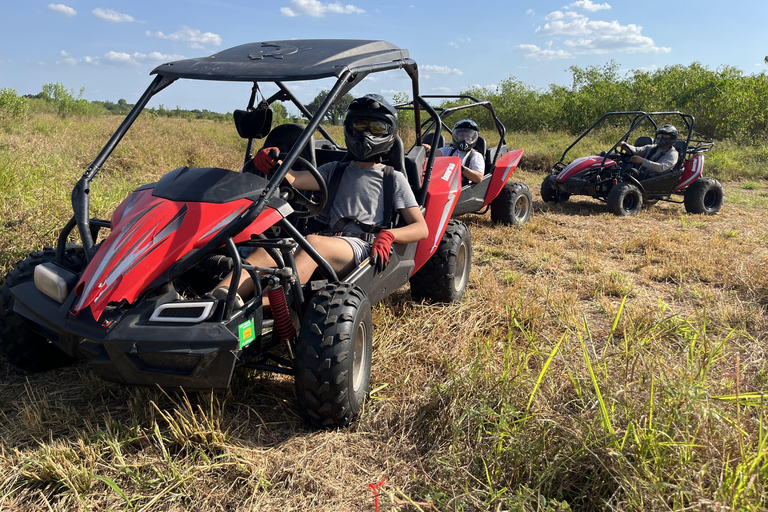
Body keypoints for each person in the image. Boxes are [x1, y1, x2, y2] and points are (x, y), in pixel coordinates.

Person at [213, 94, 429, 303]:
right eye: (360, 126)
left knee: (314, 243)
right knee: (270, 249)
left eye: (376, 128)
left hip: (362, 246)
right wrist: (271, 161)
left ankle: (267, 306)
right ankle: (219, 297)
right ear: (349, 129)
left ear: (389, 133)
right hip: (328, 240)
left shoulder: (393, 177)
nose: (366, 134)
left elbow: (421, 228)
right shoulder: (333, 170)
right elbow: (295, 179)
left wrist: (389, 235)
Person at [424, 119, 484, 185]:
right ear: (456, 136)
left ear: (473, 138)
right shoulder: (448, 150)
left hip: (463, 189)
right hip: (445, 185)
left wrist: (460, 168)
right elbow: (435, 154)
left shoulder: (476, 155)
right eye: (461, 135)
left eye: (467, 136)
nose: (464, 139)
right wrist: (428, 149)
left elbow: (479, 178)